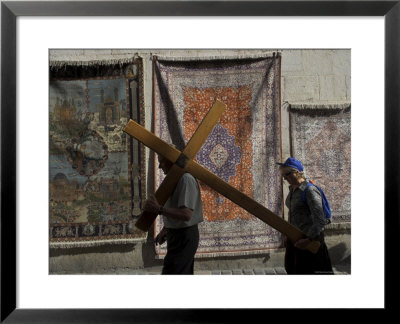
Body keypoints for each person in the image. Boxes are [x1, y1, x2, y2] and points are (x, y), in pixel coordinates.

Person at [142, 154, 204, 275]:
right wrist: (166, 230)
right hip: (177, 235)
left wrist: (158, 209)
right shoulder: (175, 179)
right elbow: (176, 208)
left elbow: (186, 214)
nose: (159, 166)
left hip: (184, 236)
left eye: (162, 162)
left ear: (172, 162)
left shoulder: (185, 179)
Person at [277, 157, 333, 275]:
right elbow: (293, 214)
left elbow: (320, 220)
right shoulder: (293, 189)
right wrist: (289, 235)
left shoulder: (310, 191)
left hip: (310, 243)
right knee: (293, 270)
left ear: (297, 172)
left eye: (286, 175)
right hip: (296, 240)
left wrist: (308, 239)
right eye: (283, 176)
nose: (285, 178)